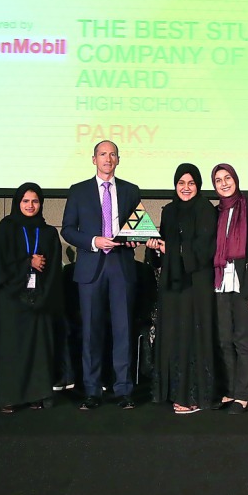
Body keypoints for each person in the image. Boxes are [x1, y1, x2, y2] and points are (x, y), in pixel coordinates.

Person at [60, 140, 142, 410]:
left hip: (121, 265)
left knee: (124, 330)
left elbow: (139, 229)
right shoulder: (79, 191)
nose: (108, 159)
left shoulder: (131, 190)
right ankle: (92, 390)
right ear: (93, 159)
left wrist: (134, 239)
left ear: (118, 159)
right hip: (91, 266)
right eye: (102, 154)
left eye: (112, 154)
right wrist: (94, 240)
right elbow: (68, 230)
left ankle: (124, 390)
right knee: (91, 332)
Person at [0, 182, 64, 413]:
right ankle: (9, 397)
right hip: (10, 299)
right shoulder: (6, 228)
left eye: (35, 201)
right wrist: (27, 262)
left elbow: (53, 273)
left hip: (39, 300)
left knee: (37, 349)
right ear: (18, 203)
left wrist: (42, 296)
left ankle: (35, 395)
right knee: (11, 349)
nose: (30, 206)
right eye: (26, 201)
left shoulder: (48, 232)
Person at [146, 164, 217, 413]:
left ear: (198, 185)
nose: (185, 188)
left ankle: (193, 396)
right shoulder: (169, 210)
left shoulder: (206, 210)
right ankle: (175, 391)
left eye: (191, 183)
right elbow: (164, 247)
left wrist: (171, 251)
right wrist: (155, 246)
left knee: (192, 338)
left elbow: (204, 250)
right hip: (172, 286)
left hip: (196, 286)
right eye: (181, 183)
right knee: (173, 337)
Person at [209, 163, 248, 414]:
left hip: (246, 283)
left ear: (236, 179)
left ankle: (243, 395)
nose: (224, 183)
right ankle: (231, 390)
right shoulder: (215, 212)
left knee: (243, 339)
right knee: (224, 340)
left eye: (227, 178)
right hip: (221, 282)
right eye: (218, 180)